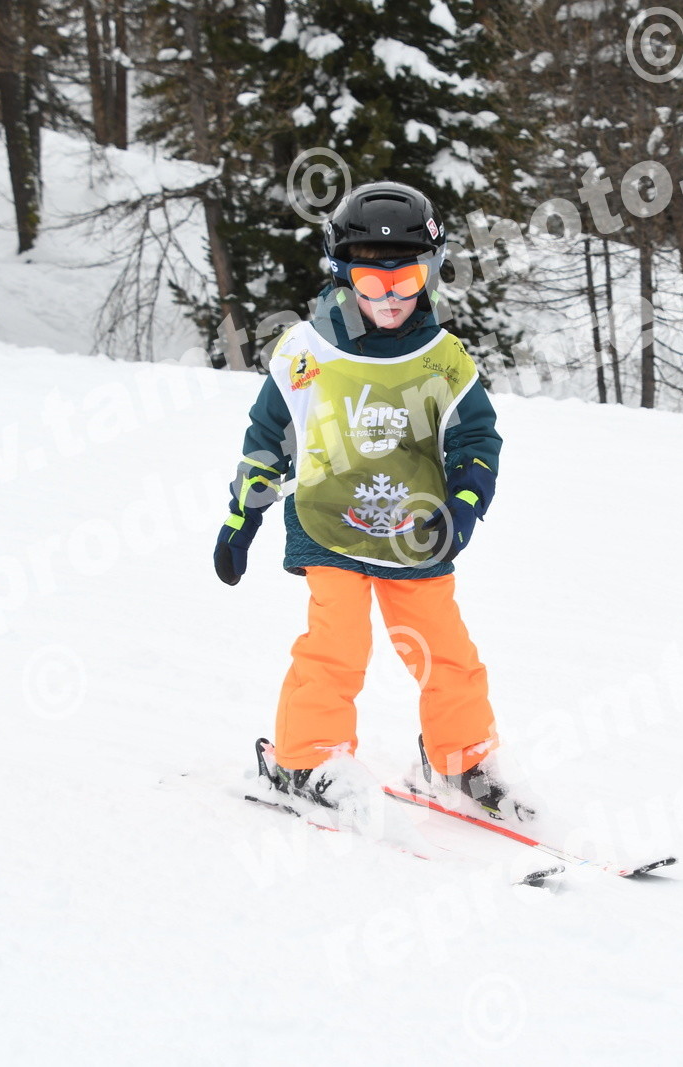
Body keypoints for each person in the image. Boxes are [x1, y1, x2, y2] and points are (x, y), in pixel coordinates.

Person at [213, 181, 532, 823]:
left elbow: (476, 440)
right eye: (370, 279)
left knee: (445, 650)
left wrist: (463, 507)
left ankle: (460, 759)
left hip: (418, 530)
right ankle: (305, 760)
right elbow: (269, 437)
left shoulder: (442, 360)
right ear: (341, 273)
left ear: (430, 272)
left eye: (406, 279)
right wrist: (242, 517)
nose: (390, 296)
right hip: (326, 520)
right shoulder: (306, 350)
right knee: (338, 644)